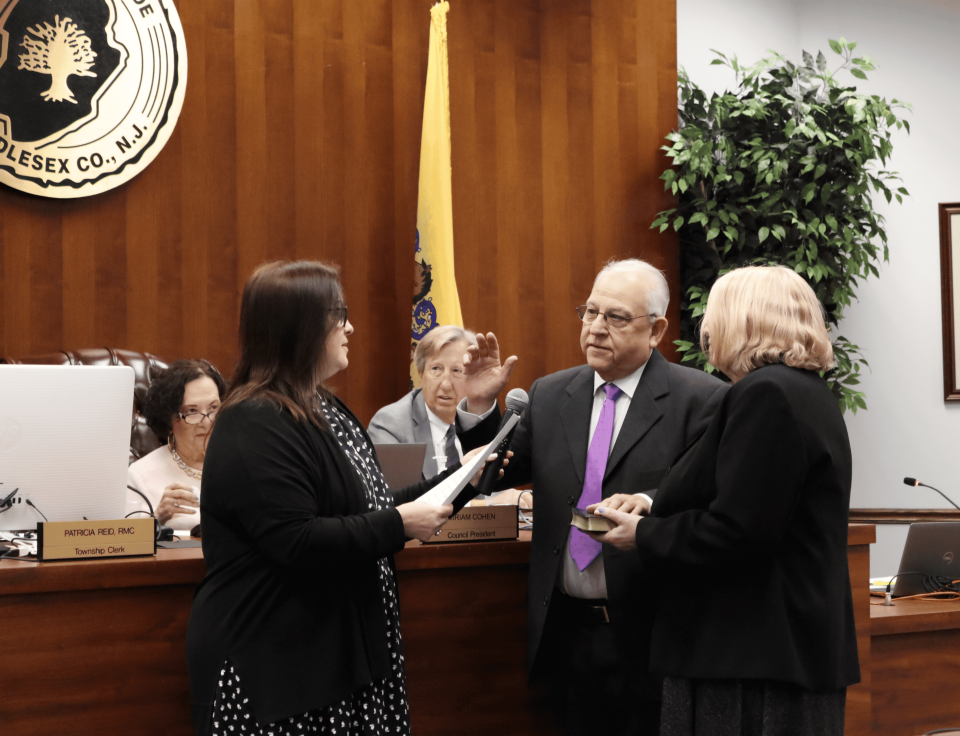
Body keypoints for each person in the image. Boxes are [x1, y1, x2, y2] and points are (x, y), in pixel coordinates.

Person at [186, 260, 504, 736]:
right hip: (284, 668)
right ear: (300, 325)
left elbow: (376, 505)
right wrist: (399, 525)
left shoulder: (324, 405)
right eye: (339, 314)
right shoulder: (253, 420)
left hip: (343, 655)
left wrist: (466, 476)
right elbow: (295, 540)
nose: (350, 326)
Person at [460, 258, 728, 736]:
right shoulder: (550, 393)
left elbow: (711, 499)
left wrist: (647, 499)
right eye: (589, 313)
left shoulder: (700, 399)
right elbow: (490, 475)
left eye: (616, 317)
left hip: (650, 638)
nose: (596, 329)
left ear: (657, 329)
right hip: (563, 633)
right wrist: (481, 409)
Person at [590, 264, 860, 736]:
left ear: (742, 321)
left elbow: (740, 533)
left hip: (747, 657)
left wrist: (644, 535)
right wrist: (653, 506)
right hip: (777, 649)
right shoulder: (807, 392)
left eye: (712, 315)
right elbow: (760, 502)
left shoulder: (765, 394)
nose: (706, 329)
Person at [368, 325, 504, 479]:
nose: (445, 384)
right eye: (436, 369)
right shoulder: (392, 425)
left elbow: (496, 486)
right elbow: (400, 497)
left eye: (456, 371)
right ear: (421, 374)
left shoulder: (483, 422)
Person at [127, 359, 226, 532]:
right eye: (192, 411)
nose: (207, 422)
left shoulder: (244, 463)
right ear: (168, 419)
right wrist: (158, 517)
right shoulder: (139, 477)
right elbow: (126, 541)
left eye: (213, 408)